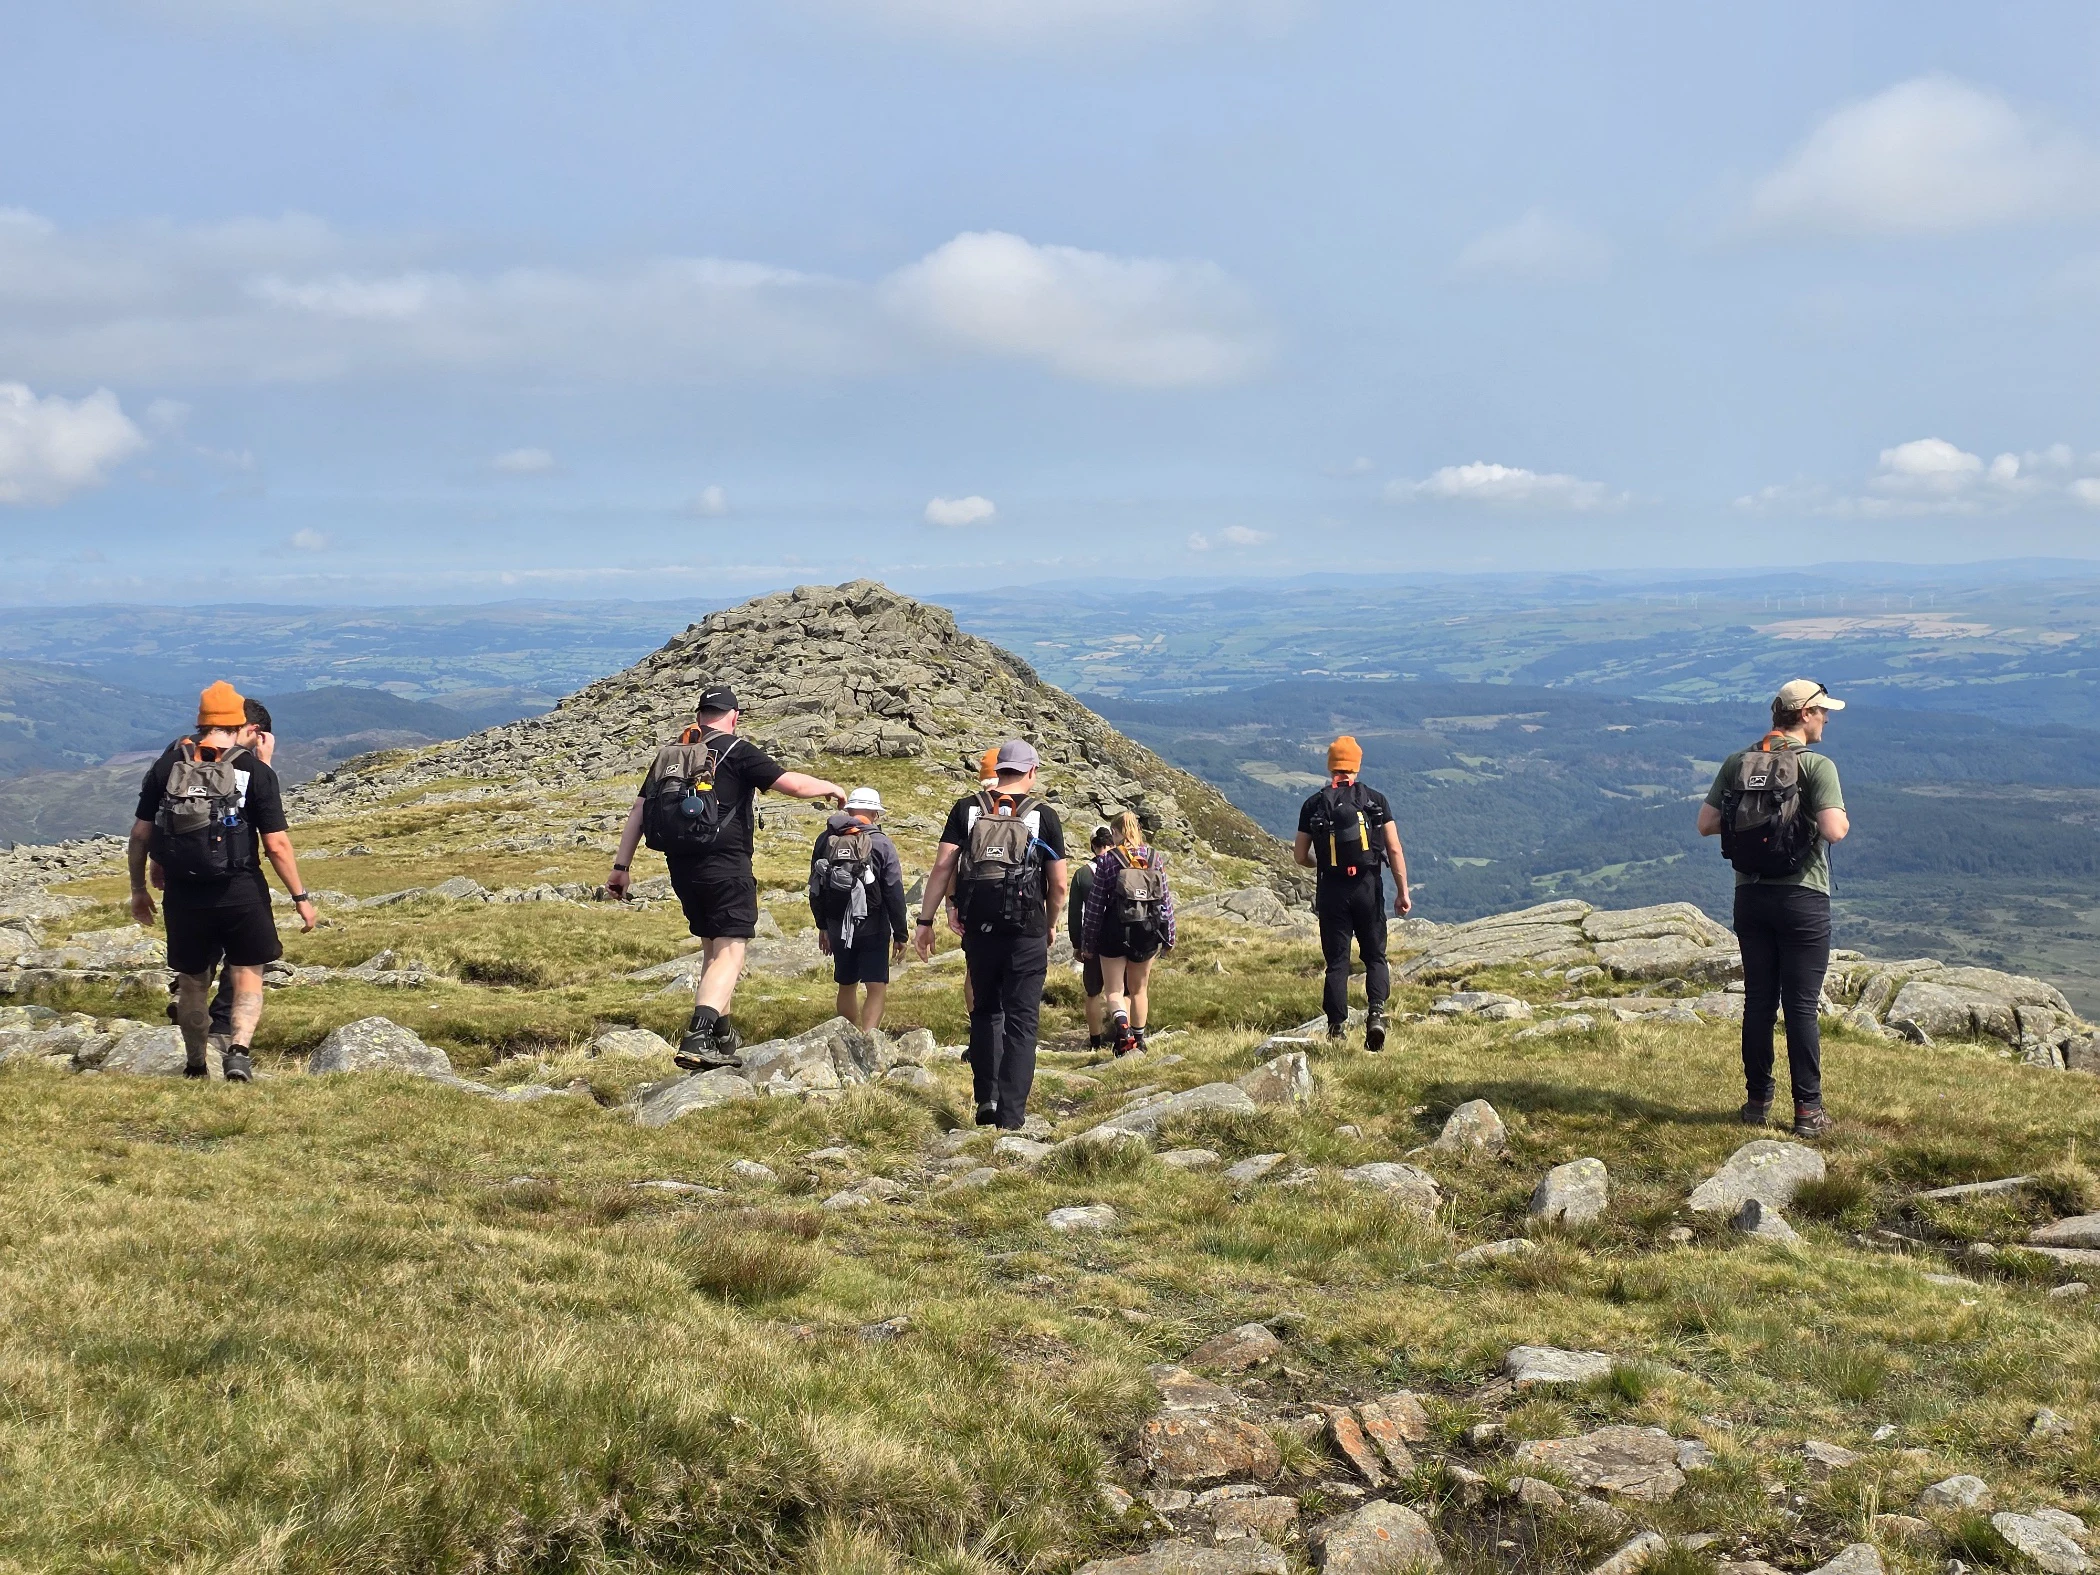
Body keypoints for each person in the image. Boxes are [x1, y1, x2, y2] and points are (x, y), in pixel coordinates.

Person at [607, 686, 844, 1071]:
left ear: (700, 715)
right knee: (732, 950)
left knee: (713, 949)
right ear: (733, 716)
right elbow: (792, 785)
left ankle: (723, 1034)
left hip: (682, 868)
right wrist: (832, 787)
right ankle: (698, 1036)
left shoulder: (672, 756)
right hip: (726, 865)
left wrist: (621, 867)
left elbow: (639, 811)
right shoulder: (737, 750)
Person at [128, 682, 317, 1082]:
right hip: (241, 892)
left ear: (201, 719)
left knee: (193, 982)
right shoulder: (253, 770)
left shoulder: (167, 766)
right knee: (248, 974)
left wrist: (139, 888)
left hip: (183, 895)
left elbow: (141, 834)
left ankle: (196, 1062)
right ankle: (237, 1051)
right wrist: (300, 897)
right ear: (239, 723)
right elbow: (277, 845)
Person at [1698, 680, 1851, 1139]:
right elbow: (1834, 830)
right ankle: (1808, 1111)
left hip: (1751, 896)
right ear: (1804, 714)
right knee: (1801, 1006)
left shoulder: (1737, 763)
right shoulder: (1816, 765)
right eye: (1823, 711)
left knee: (1759, 1002)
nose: (1827, 718)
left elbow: (1706, 824)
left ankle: (1757, 1101)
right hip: (1802, 897)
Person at [915, 738, 1068, 1129]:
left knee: (985, 1010)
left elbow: (942, 868)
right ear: (1031, 772)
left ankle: (986, 1100)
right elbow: (1059, 885)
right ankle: (1011, 1118)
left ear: (998, 770)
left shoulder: (967, 809)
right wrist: (1050, 924)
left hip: (979, 928)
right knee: (1022, 1019)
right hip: (1027, 930)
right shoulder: (1043, 815)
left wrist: (927, 920)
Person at [161, 696, 277, 1052]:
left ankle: (194, 1029)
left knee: (197, 965)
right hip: (236, 883)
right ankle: (225, 1030)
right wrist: (265, 763)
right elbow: (265, 829)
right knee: (243, 960)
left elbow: (156, 822)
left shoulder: (177, 757)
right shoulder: (252, 769)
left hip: (184, 883)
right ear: (254, 731)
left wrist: (155, 864)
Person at [1294, 735, 1410, 1050]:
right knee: (1374, 955)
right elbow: (1394, 849)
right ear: (1355, 767)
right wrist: (1403, 891)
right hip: (1367, 886)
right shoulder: (1375, 800)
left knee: (1338, 961)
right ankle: (1375, 1015)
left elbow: (1300, 856)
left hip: (1332, 890)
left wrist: (1323, 865)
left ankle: (1336, 1028)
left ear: (1331, 766)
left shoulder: (1313, 804)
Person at [810, 787, 909, 1033]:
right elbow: (893, 890)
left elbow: (816, 886)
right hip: (873, 924)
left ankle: (847, 1036)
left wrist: (822, 925)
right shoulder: (882, 843)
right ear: (875, 813)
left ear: (849, 810)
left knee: (846, 983)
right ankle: (867, 1039)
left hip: (836, 923)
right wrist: (900, 933)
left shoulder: (826, 840)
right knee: (876, 986)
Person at [1079, 812, 1175, 1055]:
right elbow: (1165, 901)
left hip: (1113, 932)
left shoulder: (1109, 860)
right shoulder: (1155, 857)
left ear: (1117, 832)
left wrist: (1088, 942)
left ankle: (1123, 1029)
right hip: (1146, 932)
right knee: (1139, 989)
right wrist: (1169, 937)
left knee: (1114, 990)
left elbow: (1095, 905)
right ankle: (1140, 1041)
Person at [1069, 824, 1114, 1049]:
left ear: (1092, 845)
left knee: (1093, 992)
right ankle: (1125, 1035)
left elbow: (1075, 912)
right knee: (1122, 990)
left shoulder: (1082, 874)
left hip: (1093, 939)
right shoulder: (1123, 868)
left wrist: (1077, 944)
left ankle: (1095, 1042)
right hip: (1121, 938)